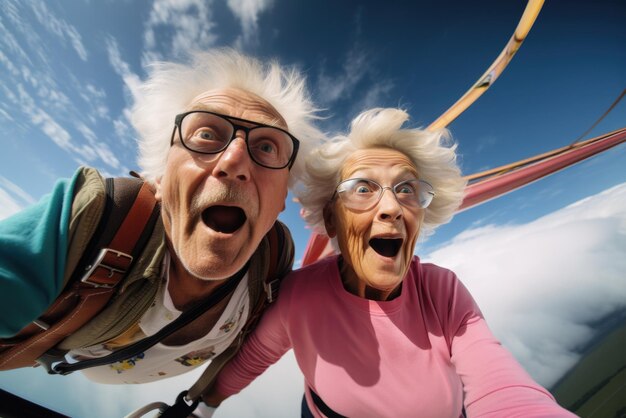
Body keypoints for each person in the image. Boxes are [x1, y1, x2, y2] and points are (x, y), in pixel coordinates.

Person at [203, 108, 576, 417]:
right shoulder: (300, 295)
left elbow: (504, 388)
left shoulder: (441, 291)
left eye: (407, 189)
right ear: (331, 219)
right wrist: (201, 405)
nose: (392, 208)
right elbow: (253, 358)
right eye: (362, 189)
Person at [0, 48, 323, 390]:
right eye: (207, 134)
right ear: (159, 178)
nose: (235, 162)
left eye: (267, 147)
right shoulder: (94, 216)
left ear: (281, 200)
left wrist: (202, 405)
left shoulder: (275, 258)